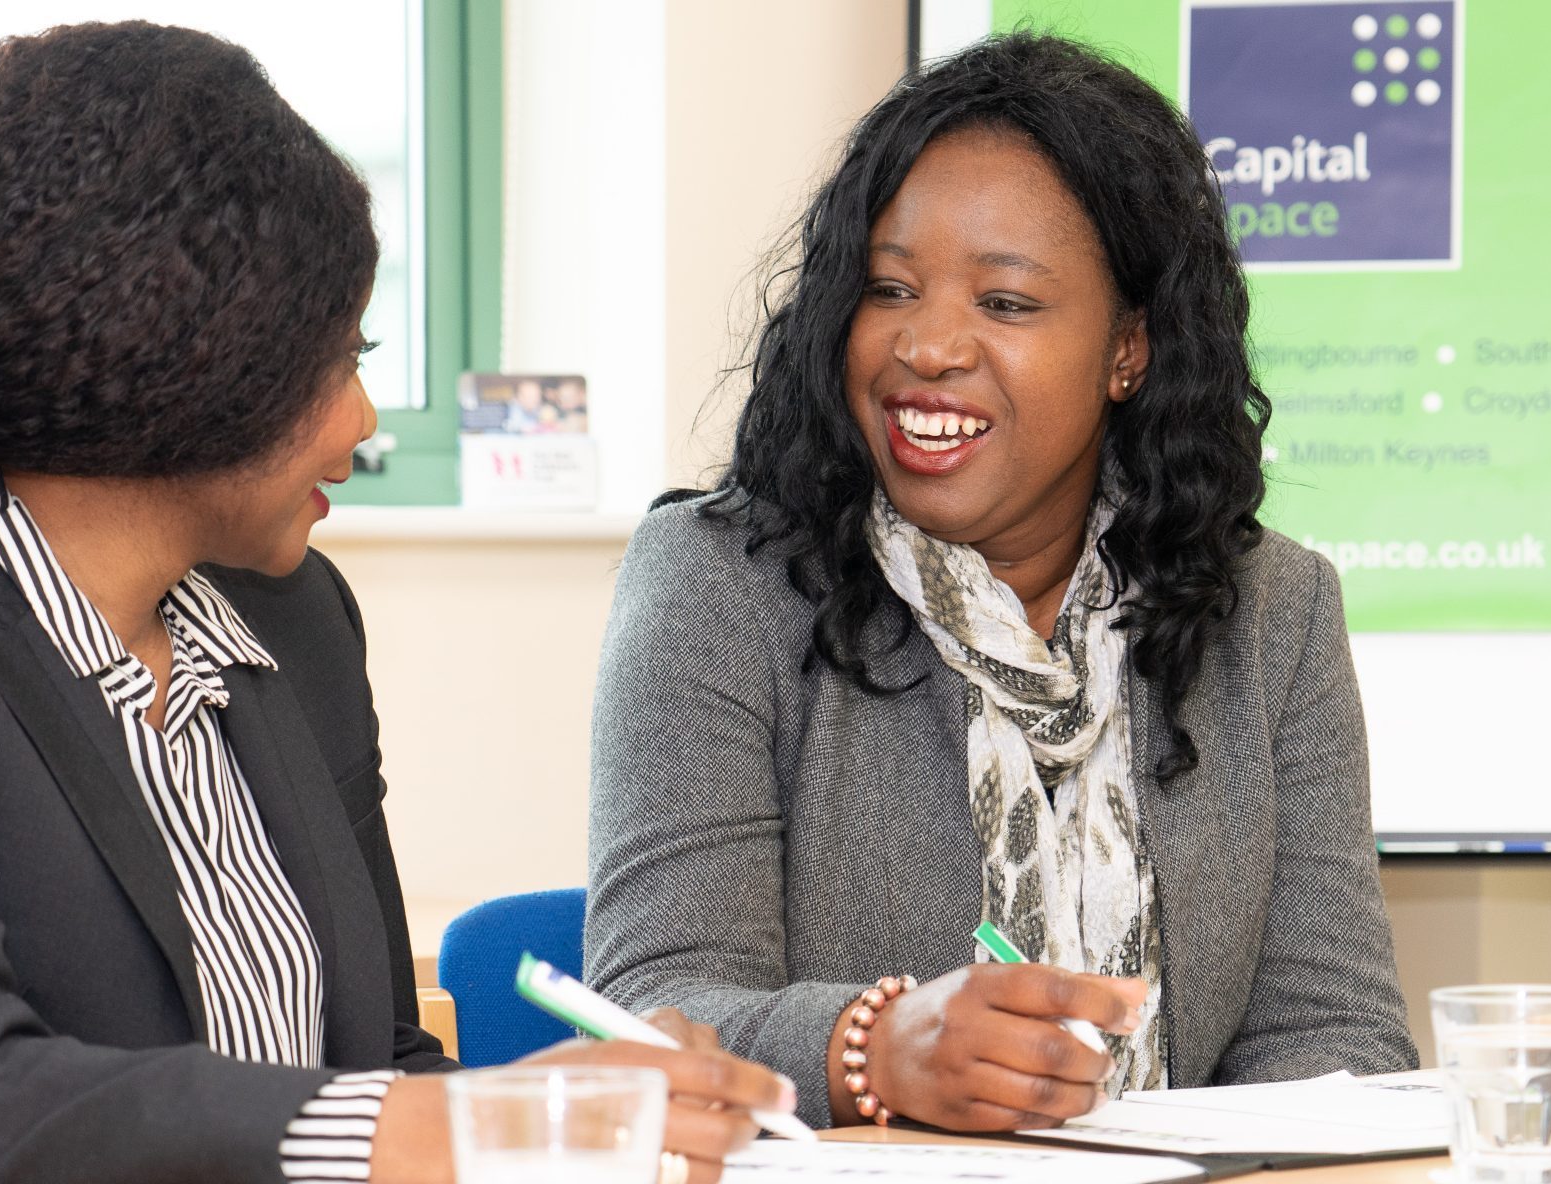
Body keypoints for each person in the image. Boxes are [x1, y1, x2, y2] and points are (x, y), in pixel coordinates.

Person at [0, 23, 779, 1184]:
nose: (363, 426)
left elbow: (377, 1063)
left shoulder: (296, 619)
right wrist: (457, 1127)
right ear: (196, 359)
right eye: (344, 360)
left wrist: (558, 1117)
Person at [585, 32, 1416, 1133]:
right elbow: (655, 1014)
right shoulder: (721, 584)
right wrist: (870, 1046)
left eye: (1006, 303)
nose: (926, 346)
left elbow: (1338, 1037)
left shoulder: (1271, 613)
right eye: (889, 287)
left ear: (1130, 348)